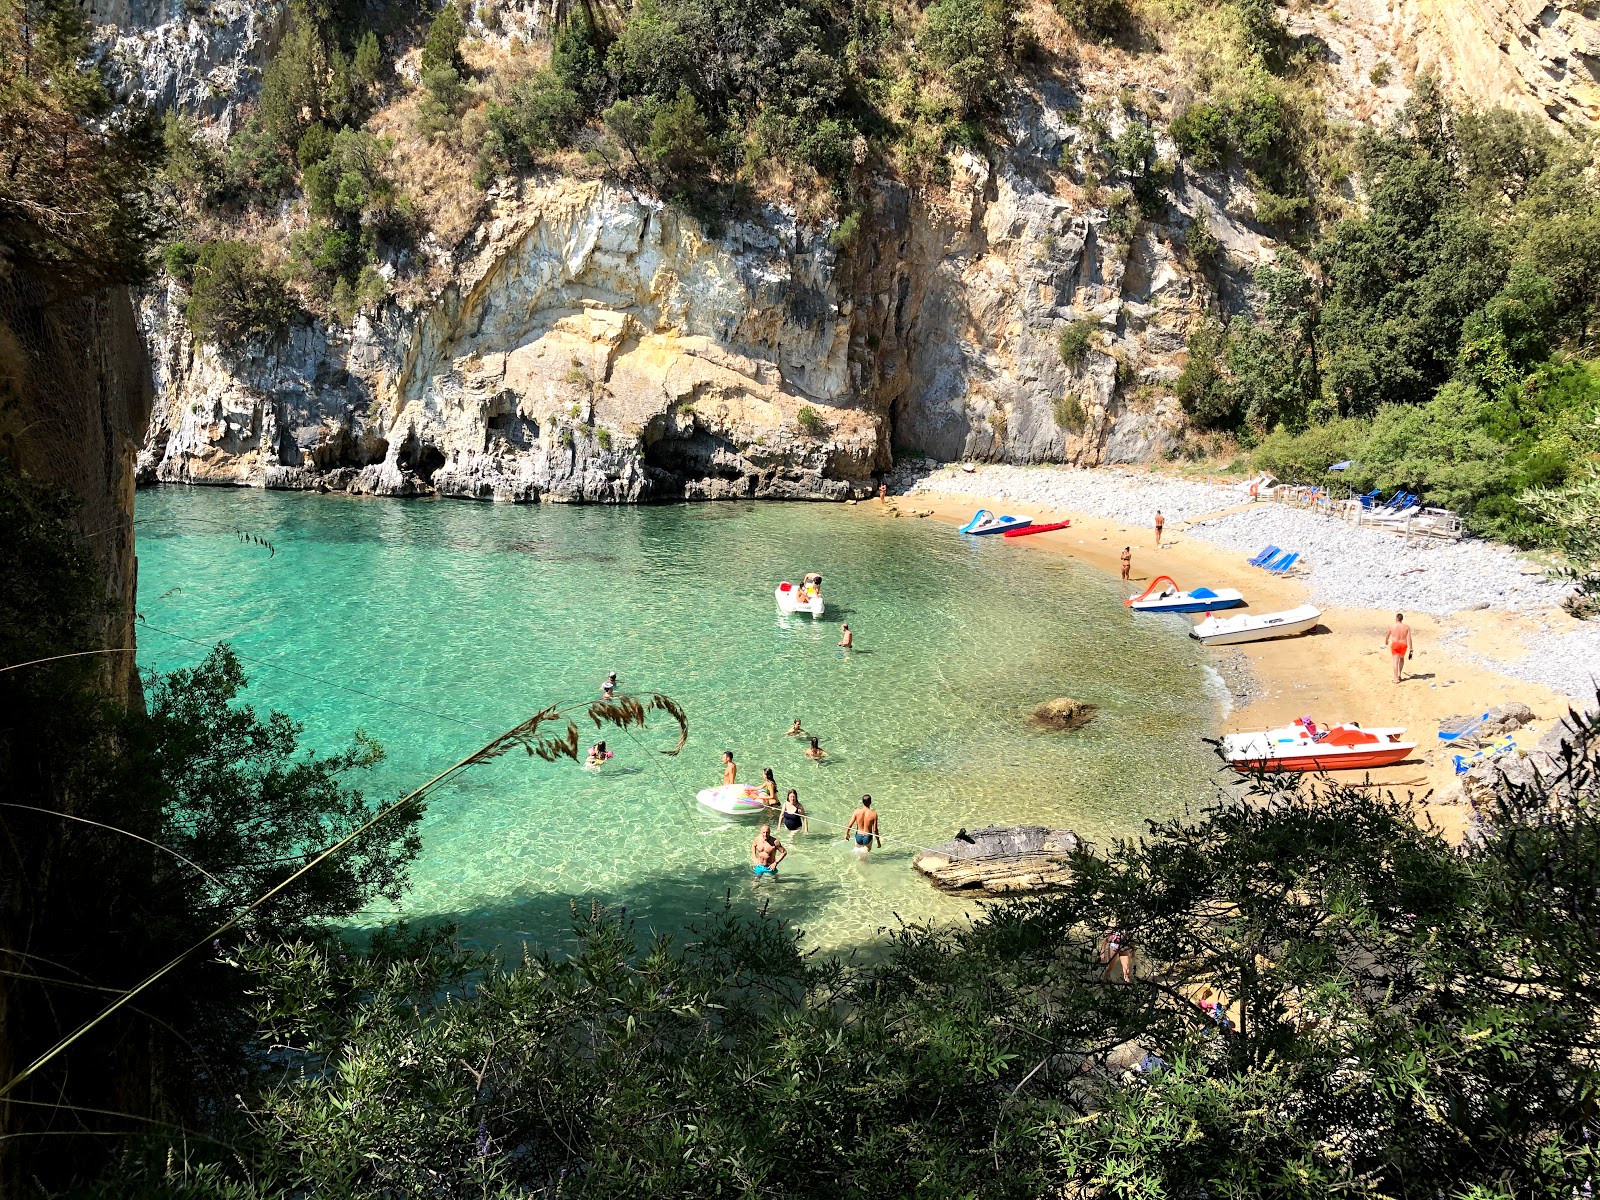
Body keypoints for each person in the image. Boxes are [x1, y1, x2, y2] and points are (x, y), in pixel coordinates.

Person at [1383, 612, 1414, 683]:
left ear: (1396, 618)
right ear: (1402, 619)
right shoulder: (1406, 627)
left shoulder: (1392, 626)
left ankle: (1396, 678)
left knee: (1395, 661)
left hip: (1395, 644)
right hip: (1403, 645)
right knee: (1401, 659)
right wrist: (1411, 648)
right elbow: (1409, 638)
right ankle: (1399, 674)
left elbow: (1387, 635)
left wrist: (1386, 641)